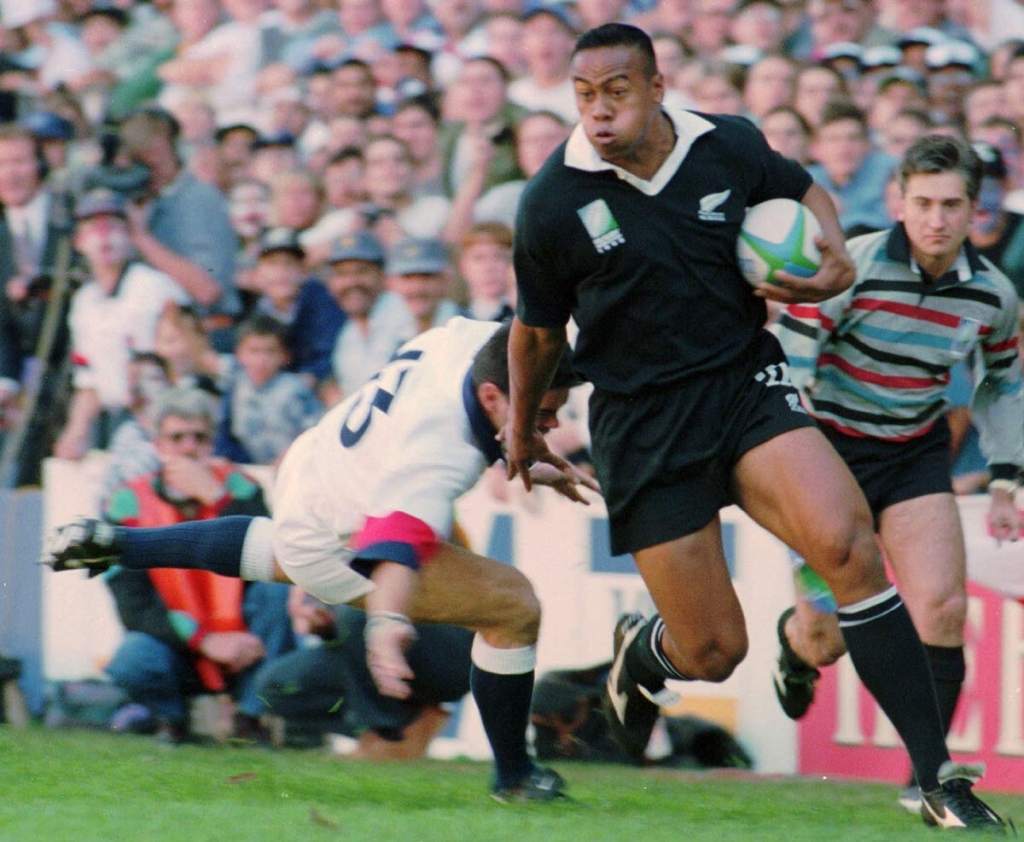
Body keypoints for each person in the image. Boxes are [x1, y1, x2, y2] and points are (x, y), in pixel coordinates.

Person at [504, 23, 1007, 830]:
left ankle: (935, 777)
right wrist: (524, 428)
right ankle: (646, 651)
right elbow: (532, 333)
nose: (599, 113)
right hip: (643, 422)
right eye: (586, 96)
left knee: (848, 549)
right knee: (714, 650)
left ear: (658, 87)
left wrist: (834, 256)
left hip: (745, 384)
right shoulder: (554, 201)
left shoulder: (726, 146)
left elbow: (802, 187)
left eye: (618, 92)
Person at [44, 318, 598, 802]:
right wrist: (386, 624)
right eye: (544, 413)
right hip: (346, 528)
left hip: (315, 464)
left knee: (282, 547)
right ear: (491, 398)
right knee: (513, 606)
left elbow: (524, 342)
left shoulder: (472, 339)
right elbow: (394, 548)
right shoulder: (439, 452)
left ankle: (118, 542)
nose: (552, 424)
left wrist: (527, 447)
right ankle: (514, 777)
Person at [771, 134, 1024, 811]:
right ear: (898, 202)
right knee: (826, 641)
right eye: (923, 203)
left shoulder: (993, 295)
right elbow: (794, 359)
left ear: (974, 210)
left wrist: (1005, 478)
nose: (936, 219)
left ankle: (928, 785)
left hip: (915, 452)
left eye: (951, 205)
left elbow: (1004, 381)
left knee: (943, 606)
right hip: (828, 456)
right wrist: (794, 462)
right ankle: (792, 648)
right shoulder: (849, 267)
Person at [101, 386, 297, 744]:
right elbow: (134, 607)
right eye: (177, 438)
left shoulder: (240, 486)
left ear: (212, 443)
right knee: (133, 656)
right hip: (180, 645)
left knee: (277, 592)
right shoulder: (127, 501)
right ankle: (172, 721)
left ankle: (248, 718)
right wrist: (206, 641)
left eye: (200, 438)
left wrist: (216, 498)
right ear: (158, 444)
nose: (189, 448)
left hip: (245, 644)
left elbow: (274, 556)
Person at [53, 189, 188, 461]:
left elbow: (182, 362)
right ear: (79, 240)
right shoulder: (84, 302)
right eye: (93, 228)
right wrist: (75, 432)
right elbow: (88, 379)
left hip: (161, 417)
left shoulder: (154, 287)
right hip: (112, 421)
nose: (104, 238)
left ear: (129, 235)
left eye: (113, 227)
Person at [255, 600, 473, 757]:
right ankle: (408, 721)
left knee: (359, 612)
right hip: (366, 643)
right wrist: (321, 620)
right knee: (274, 688)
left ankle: (386, 732)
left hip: (447, 643)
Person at [214, 314, 323, 466]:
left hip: (292, 465)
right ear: (240, 354)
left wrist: (290, 455)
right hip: (250, 466)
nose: (261, 360)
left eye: (270, 352)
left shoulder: (295, 389)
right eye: (254, 351)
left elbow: (315, 432)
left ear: (285, 356)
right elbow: (227, 432)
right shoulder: (236, 386)